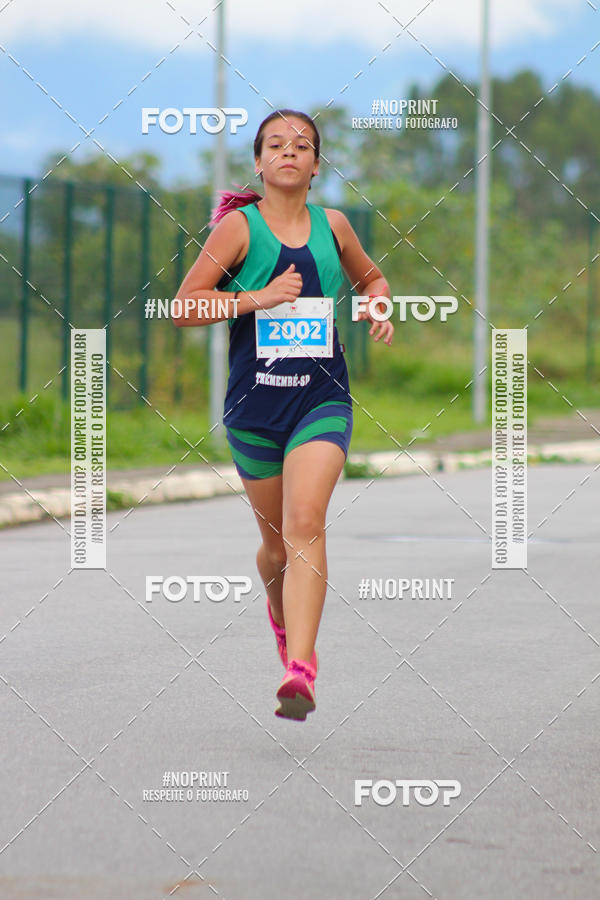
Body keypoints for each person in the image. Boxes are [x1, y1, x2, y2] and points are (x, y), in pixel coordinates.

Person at [174, 108, 393, 721]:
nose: (288, 152)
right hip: (255, 408)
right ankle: (280, 615)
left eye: (302, 145)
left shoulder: (336, 226)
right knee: (274, 549)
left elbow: (372, 278)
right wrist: (258, 298)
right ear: (259, 163)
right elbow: (184, 306)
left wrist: (377, 307)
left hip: (319, 399)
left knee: (306, 521)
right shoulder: (239, 230)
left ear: (317, 164)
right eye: (276, 144)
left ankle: (301, 669)